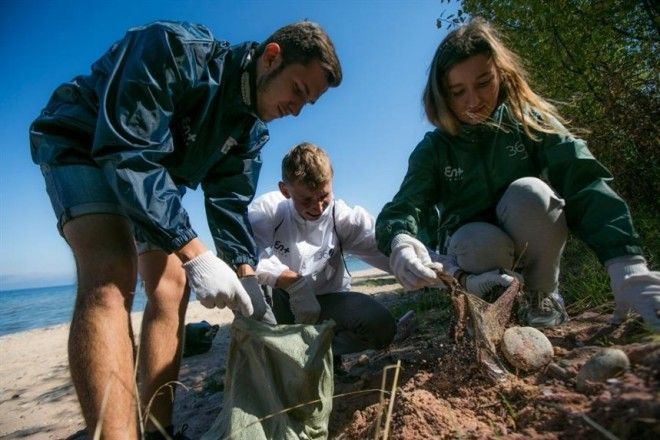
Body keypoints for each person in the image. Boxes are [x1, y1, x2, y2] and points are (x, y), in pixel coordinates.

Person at [29, 20, 341, 439]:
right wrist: (194, 252)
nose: (297, 108)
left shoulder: (250, 130)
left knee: (172, 284)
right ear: (272, 57)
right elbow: (128, 150)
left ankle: (158, 430)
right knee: (109, 274)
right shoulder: (174, 49)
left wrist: (247, 277)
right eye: (298, 91)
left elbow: (229, 202)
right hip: (86, 142)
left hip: (154, 175)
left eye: (309, 103)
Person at [375, 18, 659, 330]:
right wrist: (400, 240)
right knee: (476, 241)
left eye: (484, 83)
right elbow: (404, 207)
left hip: (531, 233)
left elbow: (582, 177)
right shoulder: (433, 150)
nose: (473, 102)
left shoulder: (527, 120)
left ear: (501, 74)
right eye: (457, 91)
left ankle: (542, 296)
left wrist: (625, 262)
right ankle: (491, 307)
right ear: (442, 95)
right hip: (476, 251)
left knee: (533, 194)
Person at [248, 143, 396, 369]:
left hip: (328, 301)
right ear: (285, 190)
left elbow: (387, 251)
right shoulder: (270, 210)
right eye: (306, 200)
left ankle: (322, 351)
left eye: (324, 195)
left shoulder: (343, 217)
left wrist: (443, 271)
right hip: (284, 302)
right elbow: (245, 255)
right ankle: (287, 356)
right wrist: (292, 282)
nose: (317, 207)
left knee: (382, 325)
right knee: (253, 291)